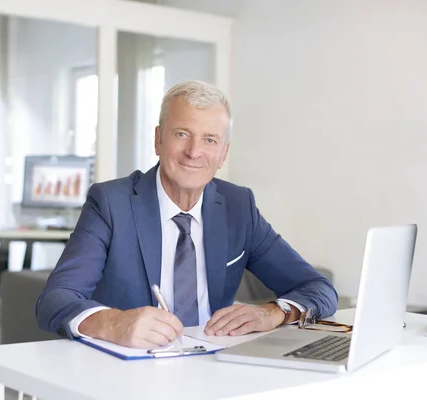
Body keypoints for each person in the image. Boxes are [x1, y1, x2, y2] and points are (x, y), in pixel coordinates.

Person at [36, 80, 337, 348]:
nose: (194, 152)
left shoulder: (238, 206)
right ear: (158, 140)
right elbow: (56, 299)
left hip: (214, 365)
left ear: (223, 153)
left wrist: (271, 313)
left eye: (210, 140)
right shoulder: (111, 203)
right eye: (182, 134)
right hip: (130, 371)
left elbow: (318, 288)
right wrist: (114, 323)